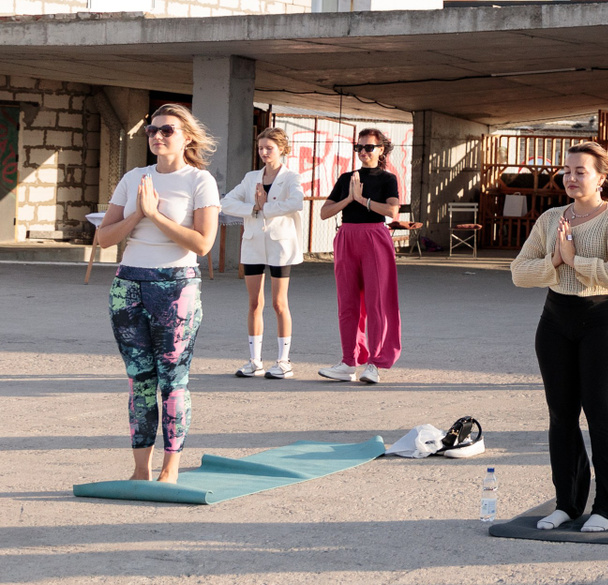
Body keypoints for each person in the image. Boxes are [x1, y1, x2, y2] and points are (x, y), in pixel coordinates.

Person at [511, 143, 608, 532]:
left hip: (602, 321)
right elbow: (519, 272)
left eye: (580, 171)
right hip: (555, 321)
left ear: (601, 178)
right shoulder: (551, 218)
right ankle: (567, 502)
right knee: (561, 415)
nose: (570, 177)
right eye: (566, 171)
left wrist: (574, 260)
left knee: (598, 415)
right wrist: (554, 259)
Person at [92, 103, 220, 484]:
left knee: (173, 380)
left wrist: (156, 216)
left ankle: (170, 468)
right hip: (128, 286)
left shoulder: (199, 181)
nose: (157, 136)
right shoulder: (134, 178)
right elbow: (103, 238)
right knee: (140, 380)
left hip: (176, 286)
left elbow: (203, 243)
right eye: (152, 130)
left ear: (187, 138)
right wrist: (138, 214)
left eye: (167, 130)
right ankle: (139, 470)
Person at [219, 126, 306, 378]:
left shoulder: (291, 177)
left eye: (269, 148)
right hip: (253, 244)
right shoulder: (251, 178)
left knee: (279, 303)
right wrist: (253, 209)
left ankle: (283, 361)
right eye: (260, 148)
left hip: (280, 246)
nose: (264, 152)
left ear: (282, 149)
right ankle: (254, 361)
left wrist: (265, 208)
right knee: (254, 302)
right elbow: (226, 203)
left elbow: (296, 202)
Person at [318, 128, 403, 384]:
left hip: (375, 237)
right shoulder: (347, 178)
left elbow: (392, 211)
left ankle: (374, 363)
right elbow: (324, 212)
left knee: (377, 303)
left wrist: (363, 200)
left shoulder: (388, 178)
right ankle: (348, 362)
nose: (363, 152)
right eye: (359, 147)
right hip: (347, 237)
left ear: (381, 150)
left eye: (369, 147)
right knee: (347, 303)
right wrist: (349, 198)